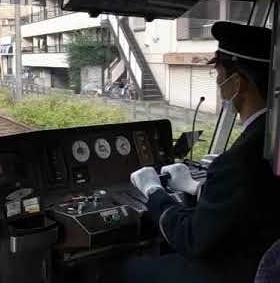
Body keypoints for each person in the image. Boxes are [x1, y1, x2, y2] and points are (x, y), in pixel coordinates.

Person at [101, 22, 280, 283]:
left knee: (121, 270)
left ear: (237, 83)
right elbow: (256, 203)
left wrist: (153, 191)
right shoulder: (268, 139)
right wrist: (196, 187)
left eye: (218, 72)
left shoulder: (240, 159)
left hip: (237, 270)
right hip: (262, 256)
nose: (218, 81)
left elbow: (191, 238)